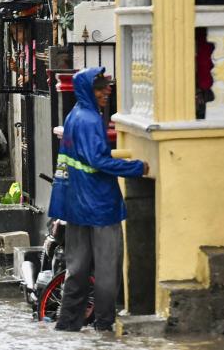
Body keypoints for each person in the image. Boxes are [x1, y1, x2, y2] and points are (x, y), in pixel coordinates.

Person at [48, 67, 148, 332]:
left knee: (77, 268)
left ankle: (67, 324)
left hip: (76, 205)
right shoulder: (91, 120)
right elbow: (98, 161)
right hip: (101, 206)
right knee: (106, 271)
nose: (107, 91)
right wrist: (136, 168)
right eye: (101, 88)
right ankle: (104, 328)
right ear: (88, 91)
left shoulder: (73, 116)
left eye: (107, 86)